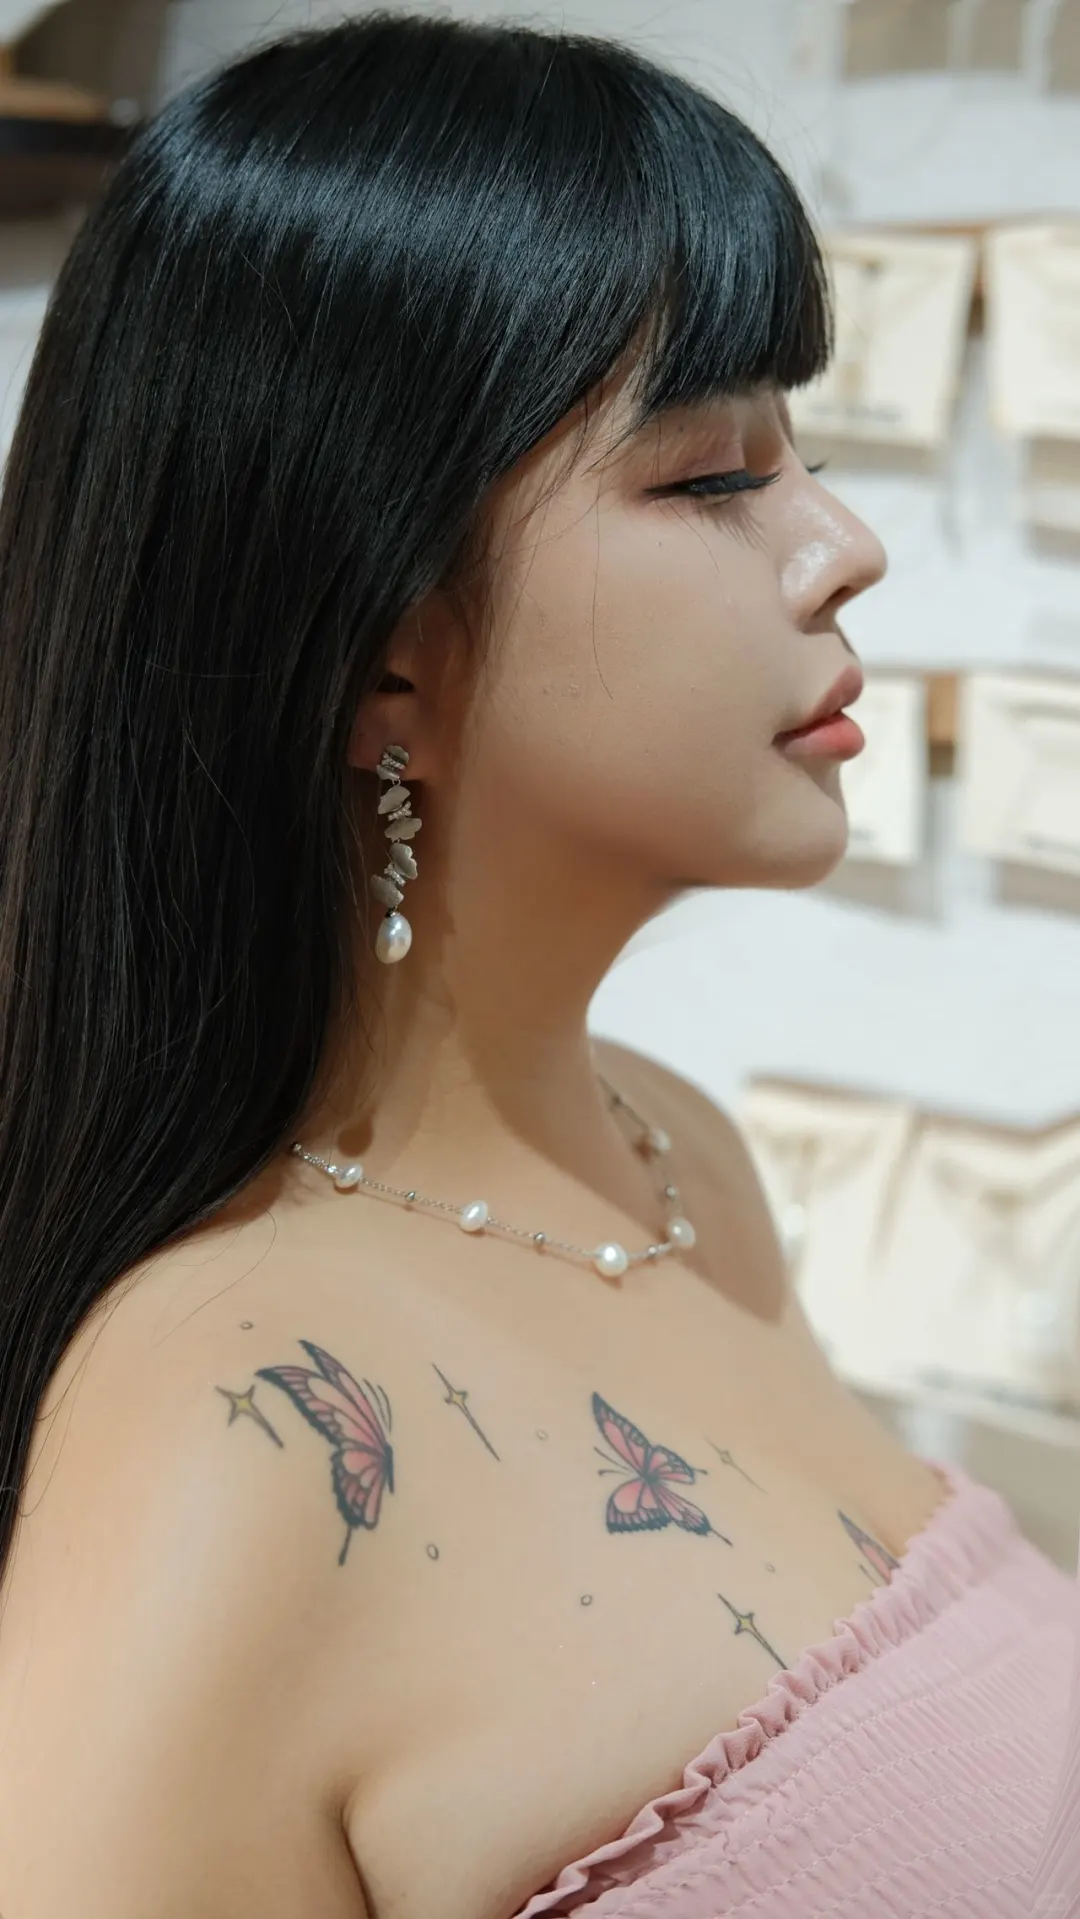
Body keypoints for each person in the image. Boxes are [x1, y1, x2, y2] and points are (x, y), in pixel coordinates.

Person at [0, 12, 1074, 1918]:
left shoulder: (676, 1157)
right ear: (382, 653)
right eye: (713, 476)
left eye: (807, 452)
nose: (844, 545)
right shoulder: (233, 1425)